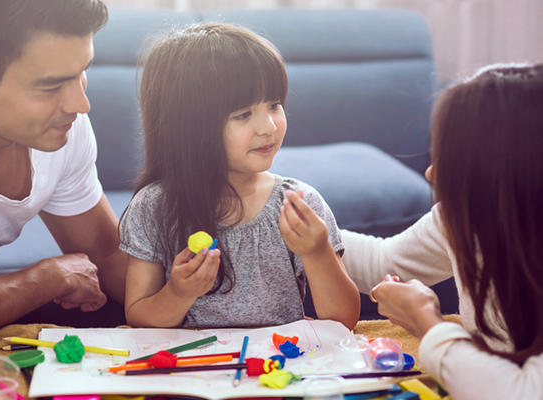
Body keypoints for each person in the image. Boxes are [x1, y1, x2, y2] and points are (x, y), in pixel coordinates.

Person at [120, 23, 360, 330]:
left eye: (274, 105)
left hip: (280, 369)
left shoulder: (300, 204)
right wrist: (179, 292)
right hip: (195, 372)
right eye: (243, 114)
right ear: (191, 127)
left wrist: (317, 251)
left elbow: (343, 321)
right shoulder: (153, 208)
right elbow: (139, 319)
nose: (269, 127)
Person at [342, 63, 543, 399]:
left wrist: (426, 323)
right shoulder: (465, 218)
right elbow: (384, 262)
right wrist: (304, 227)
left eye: (456, 160)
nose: (432, 174)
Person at [0, 0, 127, 331]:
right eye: (51, 87)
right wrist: (45, 279)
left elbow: (106, 258)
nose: (81, 105)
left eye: (82, 72)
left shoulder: (64, 131)